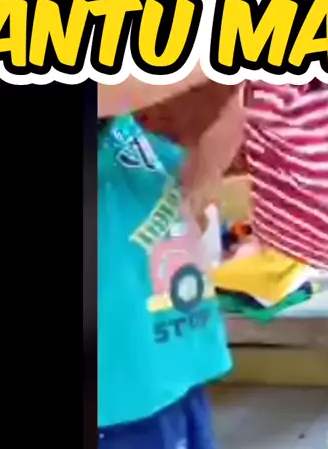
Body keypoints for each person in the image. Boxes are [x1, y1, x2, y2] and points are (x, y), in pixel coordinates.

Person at [96, 25, 245, 449]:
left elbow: (196, 179)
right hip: (116, 395)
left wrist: (241, 90)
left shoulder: (131, 125)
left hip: (176, 367)